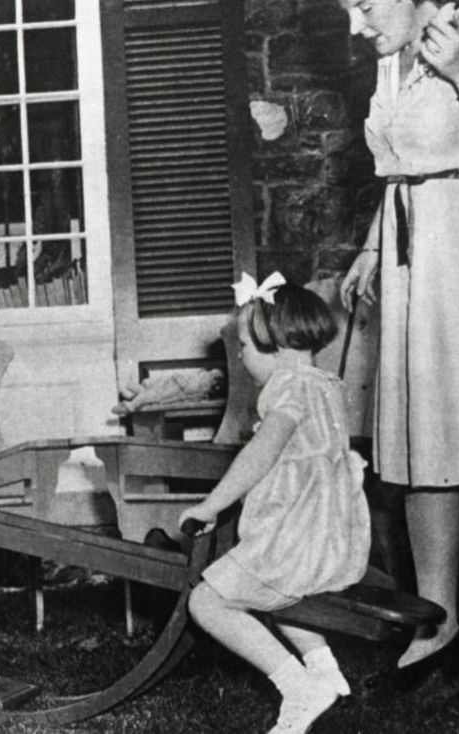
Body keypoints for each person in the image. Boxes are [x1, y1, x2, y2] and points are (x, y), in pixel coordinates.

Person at [336, 0, 459, 699]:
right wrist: (373, 248)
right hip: (414, 257)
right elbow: (402, 169)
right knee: (420, 442)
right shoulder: (390, 60)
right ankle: (436, 626)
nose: (356, 26)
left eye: (365, 6)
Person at [178, 273, 371, 734]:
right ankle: (325, 672)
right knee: (282, 595)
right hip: (332, 541)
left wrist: (211, 505)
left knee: (207, 603)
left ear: (276, 345)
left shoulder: (288, 389)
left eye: (245, 345)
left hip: (297, 539)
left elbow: (260, 454)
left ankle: (297, 686)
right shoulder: (325, 384)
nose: (241, 357)